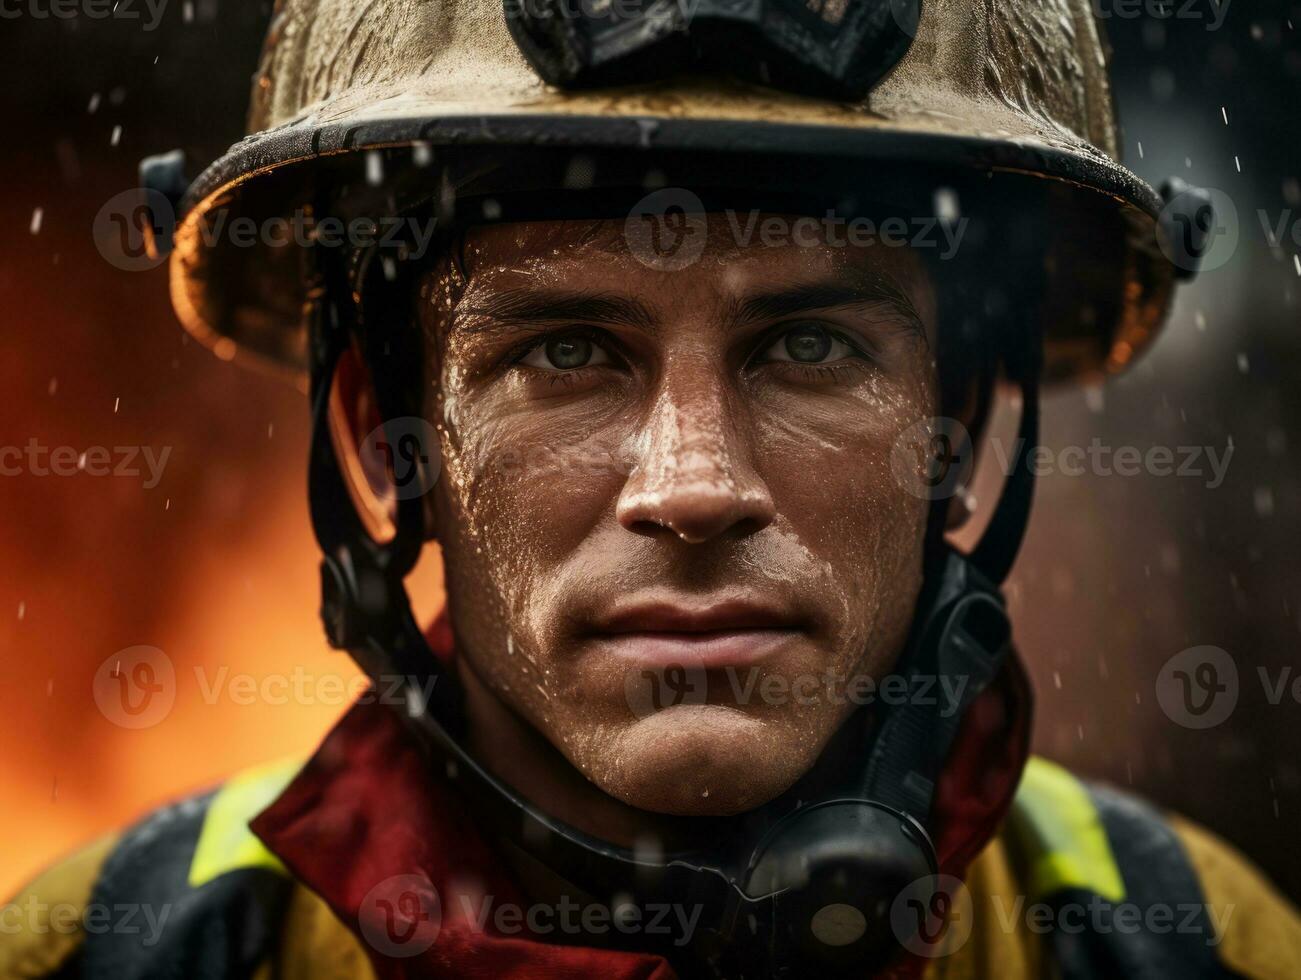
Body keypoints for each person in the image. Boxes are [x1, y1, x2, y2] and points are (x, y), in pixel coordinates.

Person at [4, 1, 1299, 978]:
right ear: (387, 439)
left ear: (957, 424)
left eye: (807, 347)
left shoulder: (1201, 946)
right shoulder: (94, 953)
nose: (693, 488)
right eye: (566, 352)